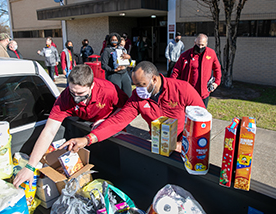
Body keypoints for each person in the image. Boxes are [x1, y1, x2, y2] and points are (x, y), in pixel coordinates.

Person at [13, 65, 129, 188]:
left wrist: (106, 120)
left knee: (115, 166)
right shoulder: (65, 98)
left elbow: (126, 108)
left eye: (81, 93)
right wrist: (30, 166)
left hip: (110, 129)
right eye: (72, 92)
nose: (76, 97)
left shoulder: (108, 90)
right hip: (88, 129)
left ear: (92, 86)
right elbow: (49, 131)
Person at [58, 61, 205, 154]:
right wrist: (87, 139)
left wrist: (184, 144)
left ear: (154, 79)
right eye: (136, 84)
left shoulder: (182, 89)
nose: (138, 89)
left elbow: (202, 120)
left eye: (142, 84)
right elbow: (119, 120)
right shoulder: (138, 97)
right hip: (160, 144)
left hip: (185, 146)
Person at [170, 33, 221, 108]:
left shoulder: (211, 54)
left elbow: (217, 68)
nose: (200, 47)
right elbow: (176, 71)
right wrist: (170, 84)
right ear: (195, 43)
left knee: (201, 115)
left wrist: (216, 82)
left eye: (202, 45)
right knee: (187, 114)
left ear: (206, 44)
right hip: (188, 92)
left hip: (203, 93)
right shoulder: (185, 55)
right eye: (198, 44)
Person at [101, 33, 132, 97]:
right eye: (112, 40)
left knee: (128, 93)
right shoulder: (107, 50)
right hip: (113, 75)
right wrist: (113, 70)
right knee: (116, 95)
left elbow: (130, 62)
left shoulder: (122, 49)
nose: (114, 41)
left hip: (124, 74)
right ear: (109, 40)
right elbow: (104, 65)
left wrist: (129, 58)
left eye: (116, 39)